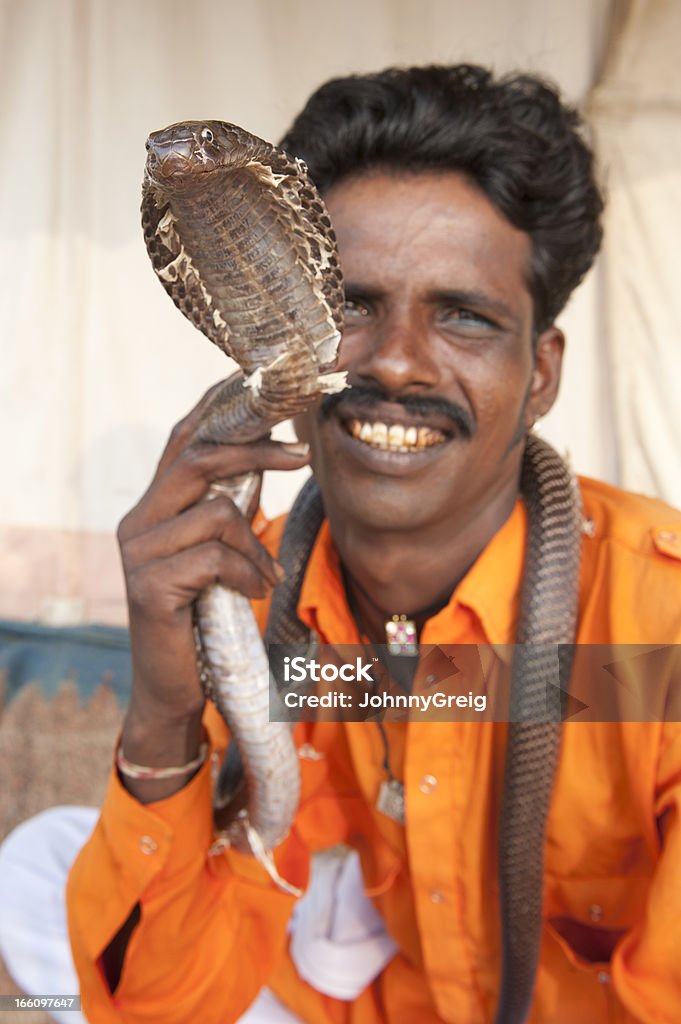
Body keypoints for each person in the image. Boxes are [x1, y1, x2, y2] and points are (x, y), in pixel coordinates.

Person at [62, 65, 681, 1023]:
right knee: (41, 870)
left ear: (541, 375)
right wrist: (163, 716)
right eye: (350, 307)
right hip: (348, 998)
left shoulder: (657, 628)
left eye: (463, 316)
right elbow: (160, 1008)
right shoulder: (243, 590)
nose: (392, 362)